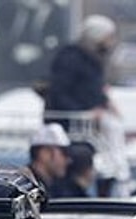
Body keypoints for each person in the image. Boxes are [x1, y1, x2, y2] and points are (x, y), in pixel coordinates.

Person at [43, 14, 129, 197]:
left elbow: (93, 89)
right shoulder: (71, 58)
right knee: (112, 130)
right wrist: (87, 112)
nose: (110, 43)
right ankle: (119, 175)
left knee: (114, 129)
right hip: (76, 121)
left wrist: (105, 102)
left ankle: (119, 175)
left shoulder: (93, 59)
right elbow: (59, 93)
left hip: (92, 119)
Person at [26, 122, 72, 200]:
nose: (68, 160)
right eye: (64, 152)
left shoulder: (55, 187)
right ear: (45, 154)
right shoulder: (26, 188)